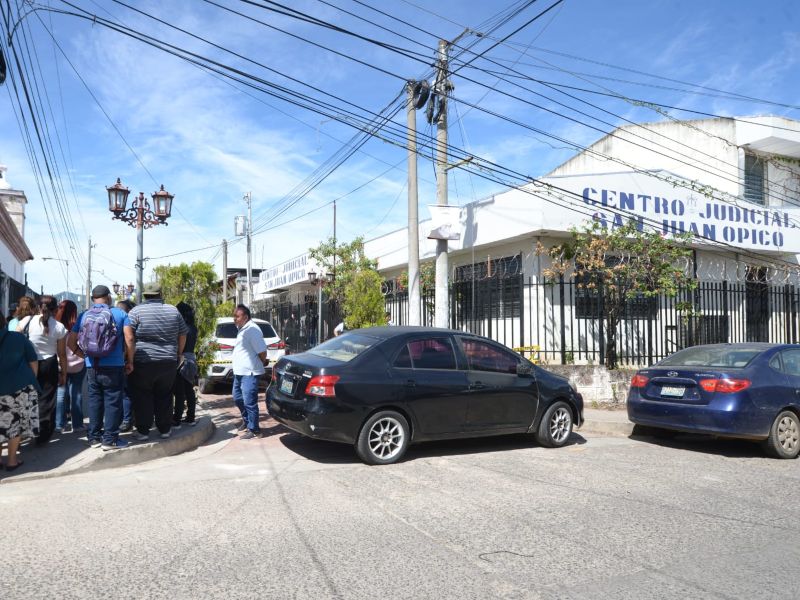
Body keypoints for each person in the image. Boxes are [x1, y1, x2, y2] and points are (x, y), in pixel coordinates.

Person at [68, 286, 130, 450]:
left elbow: (70, 342)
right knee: (113, 401)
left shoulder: (83, 315)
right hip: (115, 365)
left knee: (95, 401)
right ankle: (110, 440)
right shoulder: (120, 314)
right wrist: (130, 360)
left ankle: (94, 438)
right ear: (108, 297)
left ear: (93, 298)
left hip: (92, 366)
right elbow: (129, 338)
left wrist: (85, 356)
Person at [124, 282, 187, 441]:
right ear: (161, 294)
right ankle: (165, 429)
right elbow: (183, 334)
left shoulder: (135, 311)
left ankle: (144, 431)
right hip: (168, 361)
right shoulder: (173, 310)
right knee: (165, 395)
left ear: (145, 295)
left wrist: (130, 360)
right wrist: (178, 354)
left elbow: (129, 337)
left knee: (142, 396)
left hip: (143, 361)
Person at [17, 295, 67, 444]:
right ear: (55, 309)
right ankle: (43, 435)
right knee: (47, 400)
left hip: (27, 364)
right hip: (49, 364)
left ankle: (21, 434)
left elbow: (16, 340)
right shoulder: (59, 327)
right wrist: (64, 373)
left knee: (26, 398)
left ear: (38, 307)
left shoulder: (26, 321)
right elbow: (62, 354)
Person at [0, 312, 40, 472]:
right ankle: (11, 460)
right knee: (14, 423)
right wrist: (32, 379)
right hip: (19, 387)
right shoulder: (18, 338)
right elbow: (33, 361)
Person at [232, 304, 267, 440]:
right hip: (239, 372)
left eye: (237, 316)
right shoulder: (242, 328)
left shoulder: (252, 329)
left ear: (245, 317)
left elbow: (262, 351)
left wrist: (262, 362)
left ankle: (255, 430)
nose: (234, 319)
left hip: (249, 372)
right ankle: (247, 422)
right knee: (237, 398)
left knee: (249, 401)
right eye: (234, 316)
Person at [55, 299, 86, 434]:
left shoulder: (55, 326)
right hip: (78, 363)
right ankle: (77, 424)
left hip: (60, 364)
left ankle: (59, 424)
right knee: (76, 393)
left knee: (61, 394)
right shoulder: (78, 326)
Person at [172, 302, 198, 427]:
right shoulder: (193, 327)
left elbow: (179, 346)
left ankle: (177, 419)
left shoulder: (182, 328)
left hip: (182, 360)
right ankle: (191, 417)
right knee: (189, 390)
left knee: (179, 392)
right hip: (191, 360)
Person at [116, 299, 135, 432]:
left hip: (115, 361)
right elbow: (130, 340)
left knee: (121, 392)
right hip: (127, 361)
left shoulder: (111, 320)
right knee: (127, 392)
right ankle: (127, 420)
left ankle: (123, 420)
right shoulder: (128, 322)